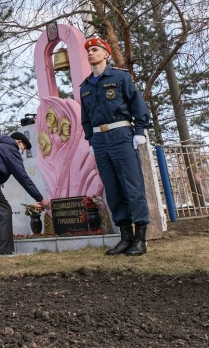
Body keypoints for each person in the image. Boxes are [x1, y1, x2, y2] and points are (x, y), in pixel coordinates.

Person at [80, 36, 152, 256]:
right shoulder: (85, 86)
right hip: (100, 141)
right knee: (112, 189)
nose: (91, 53)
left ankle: (140, 239)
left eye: (95, 50)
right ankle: (125, 237)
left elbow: (137, 104)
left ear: (106, 54)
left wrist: (140, 131)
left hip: (121, 134)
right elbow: (86, 118)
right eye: (88, 50)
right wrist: (91, 139)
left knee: (132, 186)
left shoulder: (120, 78)